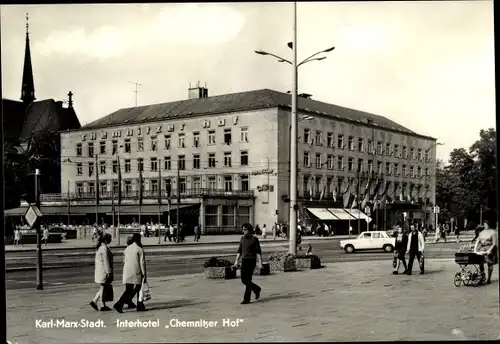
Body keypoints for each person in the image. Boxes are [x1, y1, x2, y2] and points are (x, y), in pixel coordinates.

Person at [114, 233, 147, 312]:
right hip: (136, 271)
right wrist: (144, 274)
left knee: (128, 289)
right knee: (139, 288)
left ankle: (120, 304)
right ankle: (139, 305)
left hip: (127, 271)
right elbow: (142, 263)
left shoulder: (127, 248)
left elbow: (124, 260)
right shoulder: (139, 249)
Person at [233, 223, 262, 304]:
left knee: (248, 280)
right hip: (244, 260)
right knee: (244, 280)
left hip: (251, 261)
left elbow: (258, 252)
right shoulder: (242, 239)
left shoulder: (254, 239)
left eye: (244, 229)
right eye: (242, 229)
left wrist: (260, 263)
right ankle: (256, 289)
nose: (243, 231)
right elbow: (239, 250)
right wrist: (236, 261)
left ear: (249, 230)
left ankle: (247, 299)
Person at [90, 233, 114, 311]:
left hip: (100, 271)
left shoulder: (100, 248)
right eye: (109, 239)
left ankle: (94, 301)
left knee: (102, 288)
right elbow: (106, 261)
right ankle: (102, 305)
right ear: (105, 240)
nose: (110, 240)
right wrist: (108, 272)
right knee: (103, 288)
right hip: (104, 272)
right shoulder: (104, 249)